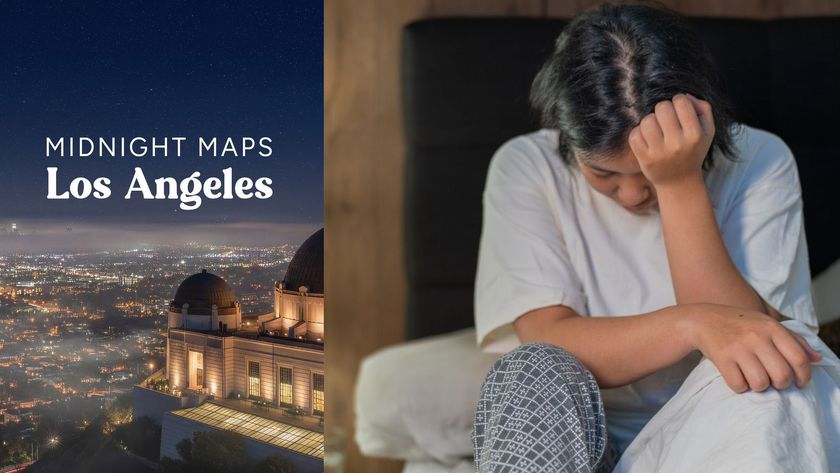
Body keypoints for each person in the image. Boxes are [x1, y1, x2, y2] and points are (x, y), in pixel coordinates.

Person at [471, 2, 840, 472]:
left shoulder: (761, 159)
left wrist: (679, 184)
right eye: (604, 173)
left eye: (645, 174)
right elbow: (547, 337)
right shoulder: (527, 166)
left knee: (778, 364)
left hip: (720, 432)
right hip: (583, 441)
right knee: (530, 369)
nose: (630, 195)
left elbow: (749, 338)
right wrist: (693, 324)